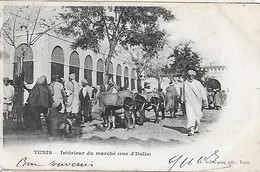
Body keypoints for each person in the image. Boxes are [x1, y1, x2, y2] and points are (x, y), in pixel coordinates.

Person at [181, 70, 207, 136]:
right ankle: (191, 130)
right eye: (189, 76)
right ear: (188, 76)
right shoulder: (185, 83)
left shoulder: (198, 83)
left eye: (192, 76)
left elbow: (202, 92)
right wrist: (182, 100)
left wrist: (204, 99)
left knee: (198, 115)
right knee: (190, 116)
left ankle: (196, 128)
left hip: (197, 102)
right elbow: (183, 92)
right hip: (188, 102)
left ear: (194, 76)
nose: (191, 77)